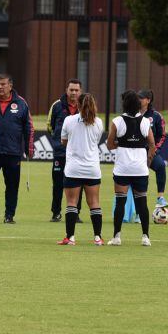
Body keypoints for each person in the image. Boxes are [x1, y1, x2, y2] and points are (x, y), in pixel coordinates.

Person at [0, 74, 34, 224]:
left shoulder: (21, 103)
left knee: (12, 186)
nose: (0, 87)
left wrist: (29, 147)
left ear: (10, 86)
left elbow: (28, 127)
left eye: (3, 84)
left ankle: (9, 216)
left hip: (13, 152)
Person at [106, 91, 156, 246]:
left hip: (122, 168)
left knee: (120, 202)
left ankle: (117, 237)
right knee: (142, 202)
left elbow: (109, 144)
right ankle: (145, 237)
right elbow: (152, 145)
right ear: (138, 104)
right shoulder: (145, 122)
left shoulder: (117, 121)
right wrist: (147, 162)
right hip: (140, 169)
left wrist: (121, 144)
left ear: (124, 104)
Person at [57, 93, 105, 245]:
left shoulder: (69, 120)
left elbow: (63, 140)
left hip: (74, 169)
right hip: (92, 168)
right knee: (94, 202)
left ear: (78, 105)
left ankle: (70, 237)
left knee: (71, 202)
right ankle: (98, 237)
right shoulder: (98, 122)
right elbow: (96, 140)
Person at [47, 79, 83, 222]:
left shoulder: (84, 106)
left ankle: (76, 214)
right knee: (57, 184)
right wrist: (58, 142)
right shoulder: (57, 106)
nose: (74, 92)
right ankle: (56, 213)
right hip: (61, 153)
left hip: (78, 154)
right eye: (71, 90)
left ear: (80, 91)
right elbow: (50, 126)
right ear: (66, 90)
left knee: (77, 185)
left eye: (76, 90)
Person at [138, 89, 168, 209]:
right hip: (135, 152)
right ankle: (137, 210)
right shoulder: (133, 113)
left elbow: (162, 135)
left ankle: (160, 198)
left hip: (151, 151)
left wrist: (154, 150)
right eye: (138, 97)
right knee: (140, 177)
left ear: (148, 100)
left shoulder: (156, 116)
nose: (139, 100)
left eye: (141, 98)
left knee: (161, 166)